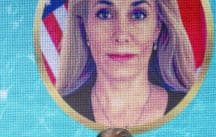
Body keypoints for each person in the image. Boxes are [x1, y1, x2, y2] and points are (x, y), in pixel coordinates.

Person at [55, 0, 196, 127]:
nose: (121, 35)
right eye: (104, 14)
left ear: (157, 28)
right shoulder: (57, 115)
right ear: (85, 26)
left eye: (138, 15)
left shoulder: (194, 112)